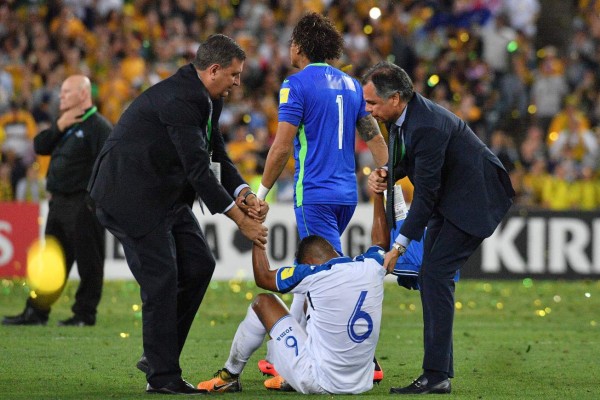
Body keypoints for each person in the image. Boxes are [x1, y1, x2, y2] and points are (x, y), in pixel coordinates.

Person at [88, 34, 268, 395]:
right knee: (162, 279)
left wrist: (244, 192)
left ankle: (158, 352)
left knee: (200, 264)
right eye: (233, 74)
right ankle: (163, 377)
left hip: (163, 195)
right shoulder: (180, 99)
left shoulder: (207, 97)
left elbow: (217, 155)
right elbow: (200, 171)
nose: (237, 82)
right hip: (129, 196)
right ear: (214, 70)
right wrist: (242, 221)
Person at [363, 61, 515, 395]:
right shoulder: (405, 117)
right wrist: (387, 172)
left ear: (397, 98)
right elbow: (408, 159)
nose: (368, 109)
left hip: (474, 199)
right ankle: (438, 372)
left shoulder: (426, 125)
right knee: (433, 276)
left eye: (373, 102)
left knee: (434, 274)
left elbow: (427, 195)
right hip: (453, 195)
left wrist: (398, 246)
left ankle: (436, 374)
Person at [253, 12, 388, 380]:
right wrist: (388, 175)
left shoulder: (294, 85)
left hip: (313, 193)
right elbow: (374, 137)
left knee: (330, 277)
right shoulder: (351, 85)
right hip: (347, 195)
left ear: (298, 46)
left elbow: (281, 147)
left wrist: (261, 193)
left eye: (291, 43)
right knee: (313, 274)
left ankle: (368, 362)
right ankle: (272, 355)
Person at [196, 190, 390, 394]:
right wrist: (377, 195)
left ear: (308, 263)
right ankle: (289, 375)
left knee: (264, 302)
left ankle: (229, 376)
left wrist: (256, 235)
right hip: (361, 383)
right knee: (308, 300)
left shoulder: (314, 274)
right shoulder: (371, 266)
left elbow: (263, 277)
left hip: (319, 380)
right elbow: (381, 243)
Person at [2, 75, 111, 326]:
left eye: (66, 92)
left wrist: (94, 200)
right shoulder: (65, 123)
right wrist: (59, 126)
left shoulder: (99, 127)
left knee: (89, 262)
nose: (60, 97)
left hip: (83, 204)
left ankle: (85, 314)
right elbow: (40, 146)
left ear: (83, 94)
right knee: (51, 262)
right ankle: (36, 311)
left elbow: (109, 166)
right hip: (58, 203)